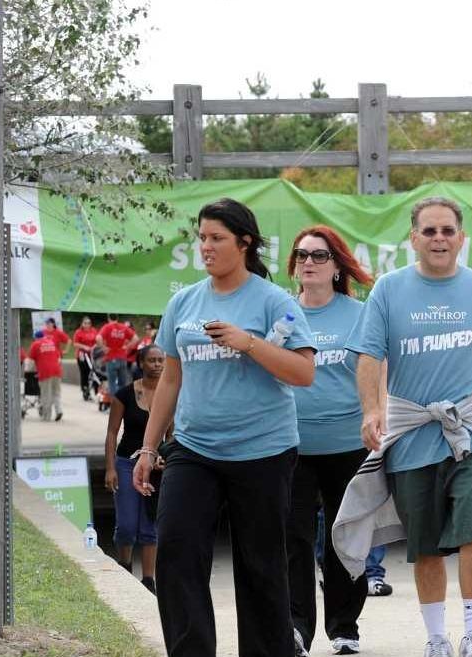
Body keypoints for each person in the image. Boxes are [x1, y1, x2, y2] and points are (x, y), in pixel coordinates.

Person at [334, 196, 472, 657]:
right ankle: (436, 638)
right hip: (410, 434)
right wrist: (371, 410)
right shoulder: (388, 289)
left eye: (447, 231)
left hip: (469, 435)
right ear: (414, 238)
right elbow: (368, 356)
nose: (439, 239)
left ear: (462, 238)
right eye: (429, 231)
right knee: (425, 545)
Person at [131, 197, 316, 657]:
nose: (206, 247)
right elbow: (171, 378)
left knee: (260, 566)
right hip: (193, 449)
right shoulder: (184, 302)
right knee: (176, 551)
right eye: (202, 238)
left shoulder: (275, 302)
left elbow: (303, 373)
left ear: (245, 242)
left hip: (263, 451)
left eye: (216, 238)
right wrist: (149, 448)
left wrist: (248, 342)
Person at [285, 225, 375, 656]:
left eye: (319, 256)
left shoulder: (359, 315)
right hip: (290, 446)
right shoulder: (279, 313)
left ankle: (344, 627)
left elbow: (378, 377)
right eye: (302, 255)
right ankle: (297, 628)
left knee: (345, 537)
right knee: (294, 539)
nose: (309, 262)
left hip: (349, 445)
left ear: (337, 266)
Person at [104, 343, 167, 593]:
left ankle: (149, 580)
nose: (157, 365)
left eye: (161, 360)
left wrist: (166, 457)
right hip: (126, 463)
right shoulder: (124, 394)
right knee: (128, 525)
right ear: (141, 363)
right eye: (152, 360)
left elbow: (172, 435)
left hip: (156, 466)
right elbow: (111, 433)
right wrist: (110, 468)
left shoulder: (169, 393)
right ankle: (125, 565)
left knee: (150, 525)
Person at [98, 313, 137, 400]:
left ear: (109, 318)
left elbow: (98, 338)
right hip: (122, 358)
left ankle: (114, 405)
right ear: (117, 318)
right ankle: (122, 403)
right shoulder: (123, 327)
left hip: (111, 357)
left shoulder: (107, 327)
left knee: (112, 383)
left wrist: (103, 348)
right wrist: (127, 347)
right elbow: (135, 338)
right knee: (122, 383)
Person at [28, 328, 64, 421]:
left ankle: (46, 417)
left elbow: (31, 362)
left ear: (36, 337)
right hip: (57, 371)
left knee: (46, 394)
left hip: (45, 372)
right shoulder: (51, 342)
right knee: (56, 393)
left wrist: (29, 372)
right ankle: (59, 410)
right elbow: (59, 358)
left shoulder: (36, 344)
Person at [74, 316, 99, 401]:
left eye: (89, 323)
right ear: (82, 324)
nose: (87, 325)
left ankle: (97, 392)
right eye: (85, 323)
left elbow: (98, 341)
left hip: (92, 354)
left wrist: (94, 347)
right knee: (84, 373)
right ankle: (85, 392)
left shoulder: (94, 330)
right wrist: (85, 347)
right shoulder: (78, 332)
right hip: (82, 355)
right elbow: (75, 344)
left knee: (94, 372)